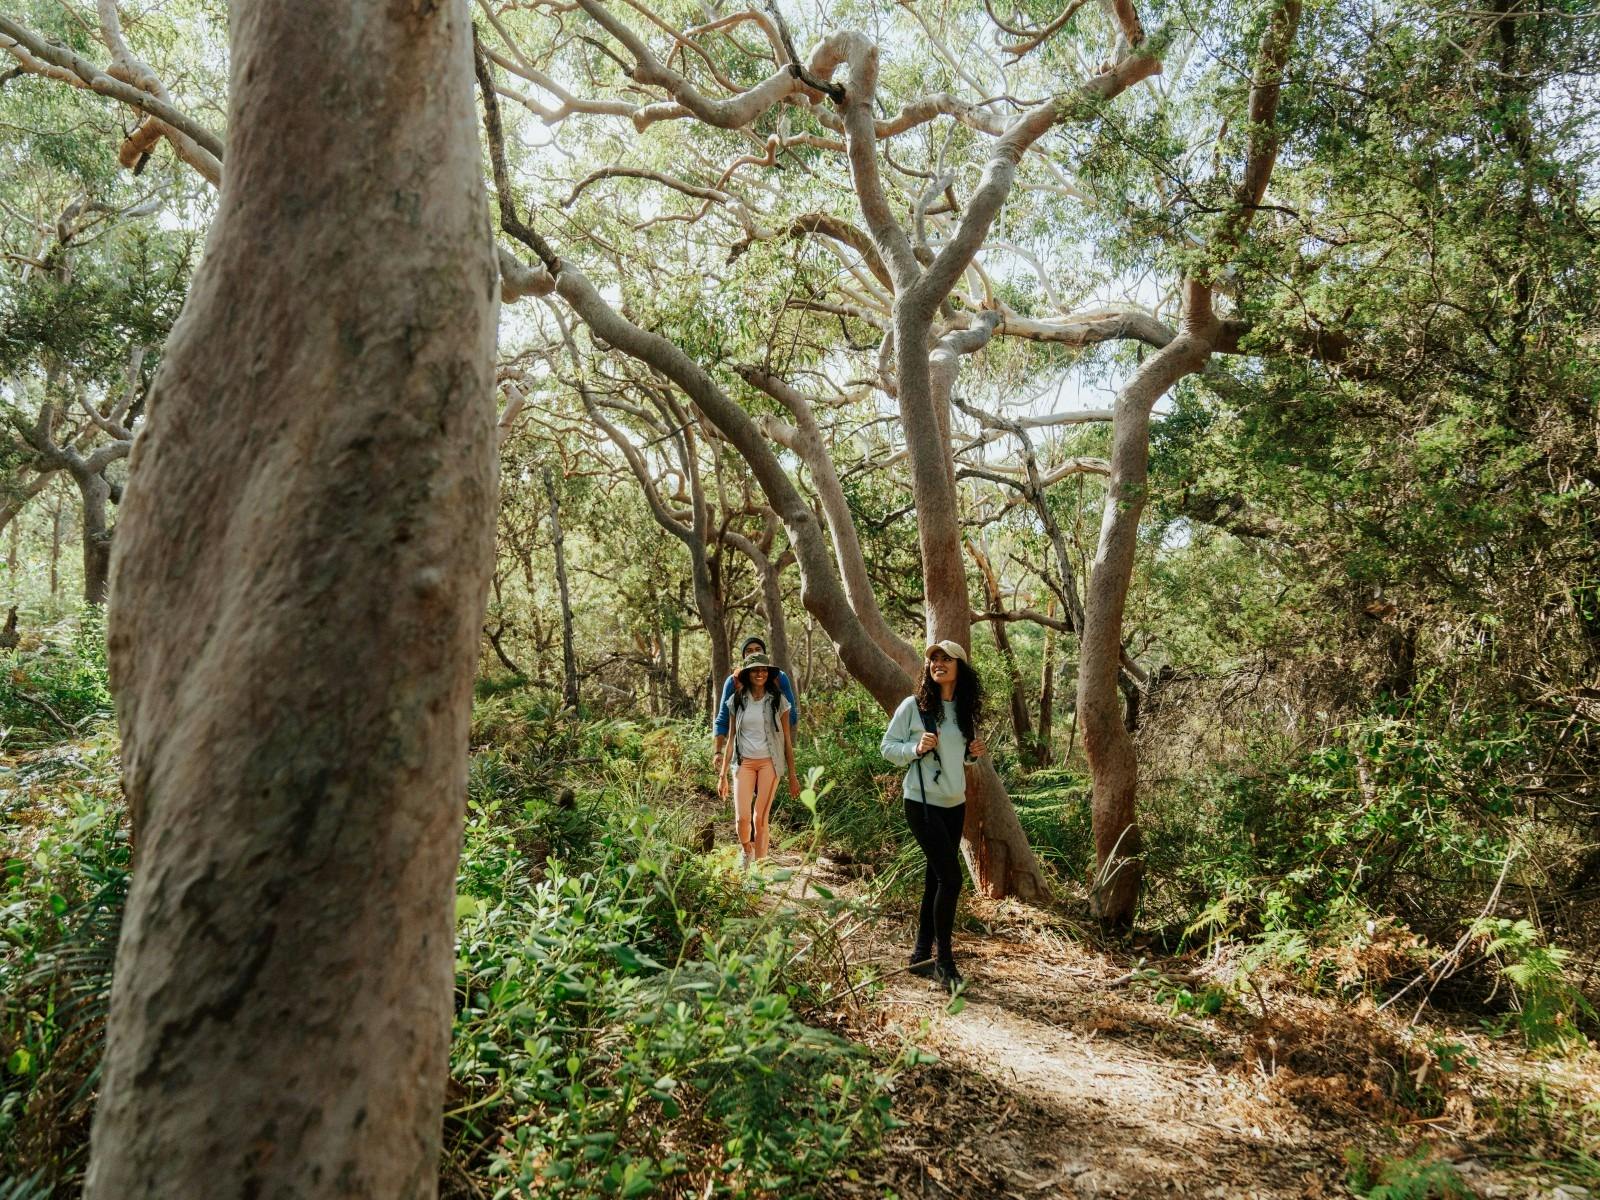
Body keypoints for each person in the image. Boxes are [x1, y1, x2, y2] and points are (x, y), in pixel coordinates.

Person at [880, 640, 987, 990]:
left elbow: (962, 759)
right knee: (952, 879)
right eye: (933, 659)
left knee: (936, 879)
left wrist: (973, 754)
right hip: (921, 803)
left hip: (955, 805)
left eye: (946, 658)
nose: (938, 663)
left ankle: (921, 954)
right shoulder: (914, 706)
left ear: (960, 667)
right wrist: (915, 747)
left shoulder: (964, 710)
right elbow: (887, 748)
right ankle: (945, 962)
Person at [716, 652, 798, 867]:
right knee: (741, 819)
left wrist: (792, 775)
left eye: (763, 670)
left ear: (768, 673)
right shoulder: (737, 700)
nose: (759, 673)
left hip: (769, 763)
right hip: (744, 763)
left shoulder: (779, 700)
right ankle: (746, 850)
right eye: (755, 670)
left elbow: (787, 740)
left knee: (759, 818)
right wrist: (722, 774)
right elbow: (731, 736)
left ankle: (760, 870)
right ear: (747, 674)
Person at [713, 635, 797, 764]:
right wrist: (718, 752)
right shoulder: (733, 681)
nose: (754, 653)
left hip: (772, 751)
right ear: (743, 656)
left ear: (764, 653)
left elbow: (791, 714)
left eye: (758, 649)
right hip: (743, 752)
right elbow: (722, 719)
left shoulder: (779, 678)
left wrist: (779, 737)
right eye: (749, 651)